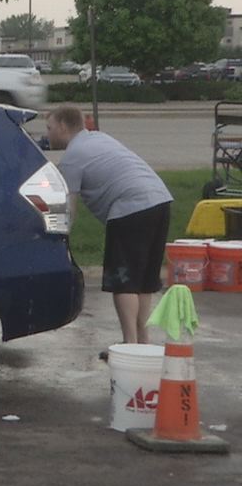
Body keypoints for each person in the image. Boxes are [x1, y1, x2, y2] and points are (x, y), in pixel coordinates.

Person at [47, 106, 173, 345]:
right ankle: (142, 342)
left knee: (124, 281)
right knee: (144, 281)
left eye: (50, 128)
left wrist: (58, 239)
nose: (48, 134)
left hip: (130, 209)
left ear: (63, 126)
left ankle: (129, 343)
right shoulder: (99, 139)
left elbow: (68, 210)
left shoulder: (73, 157)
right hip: (160, 201)